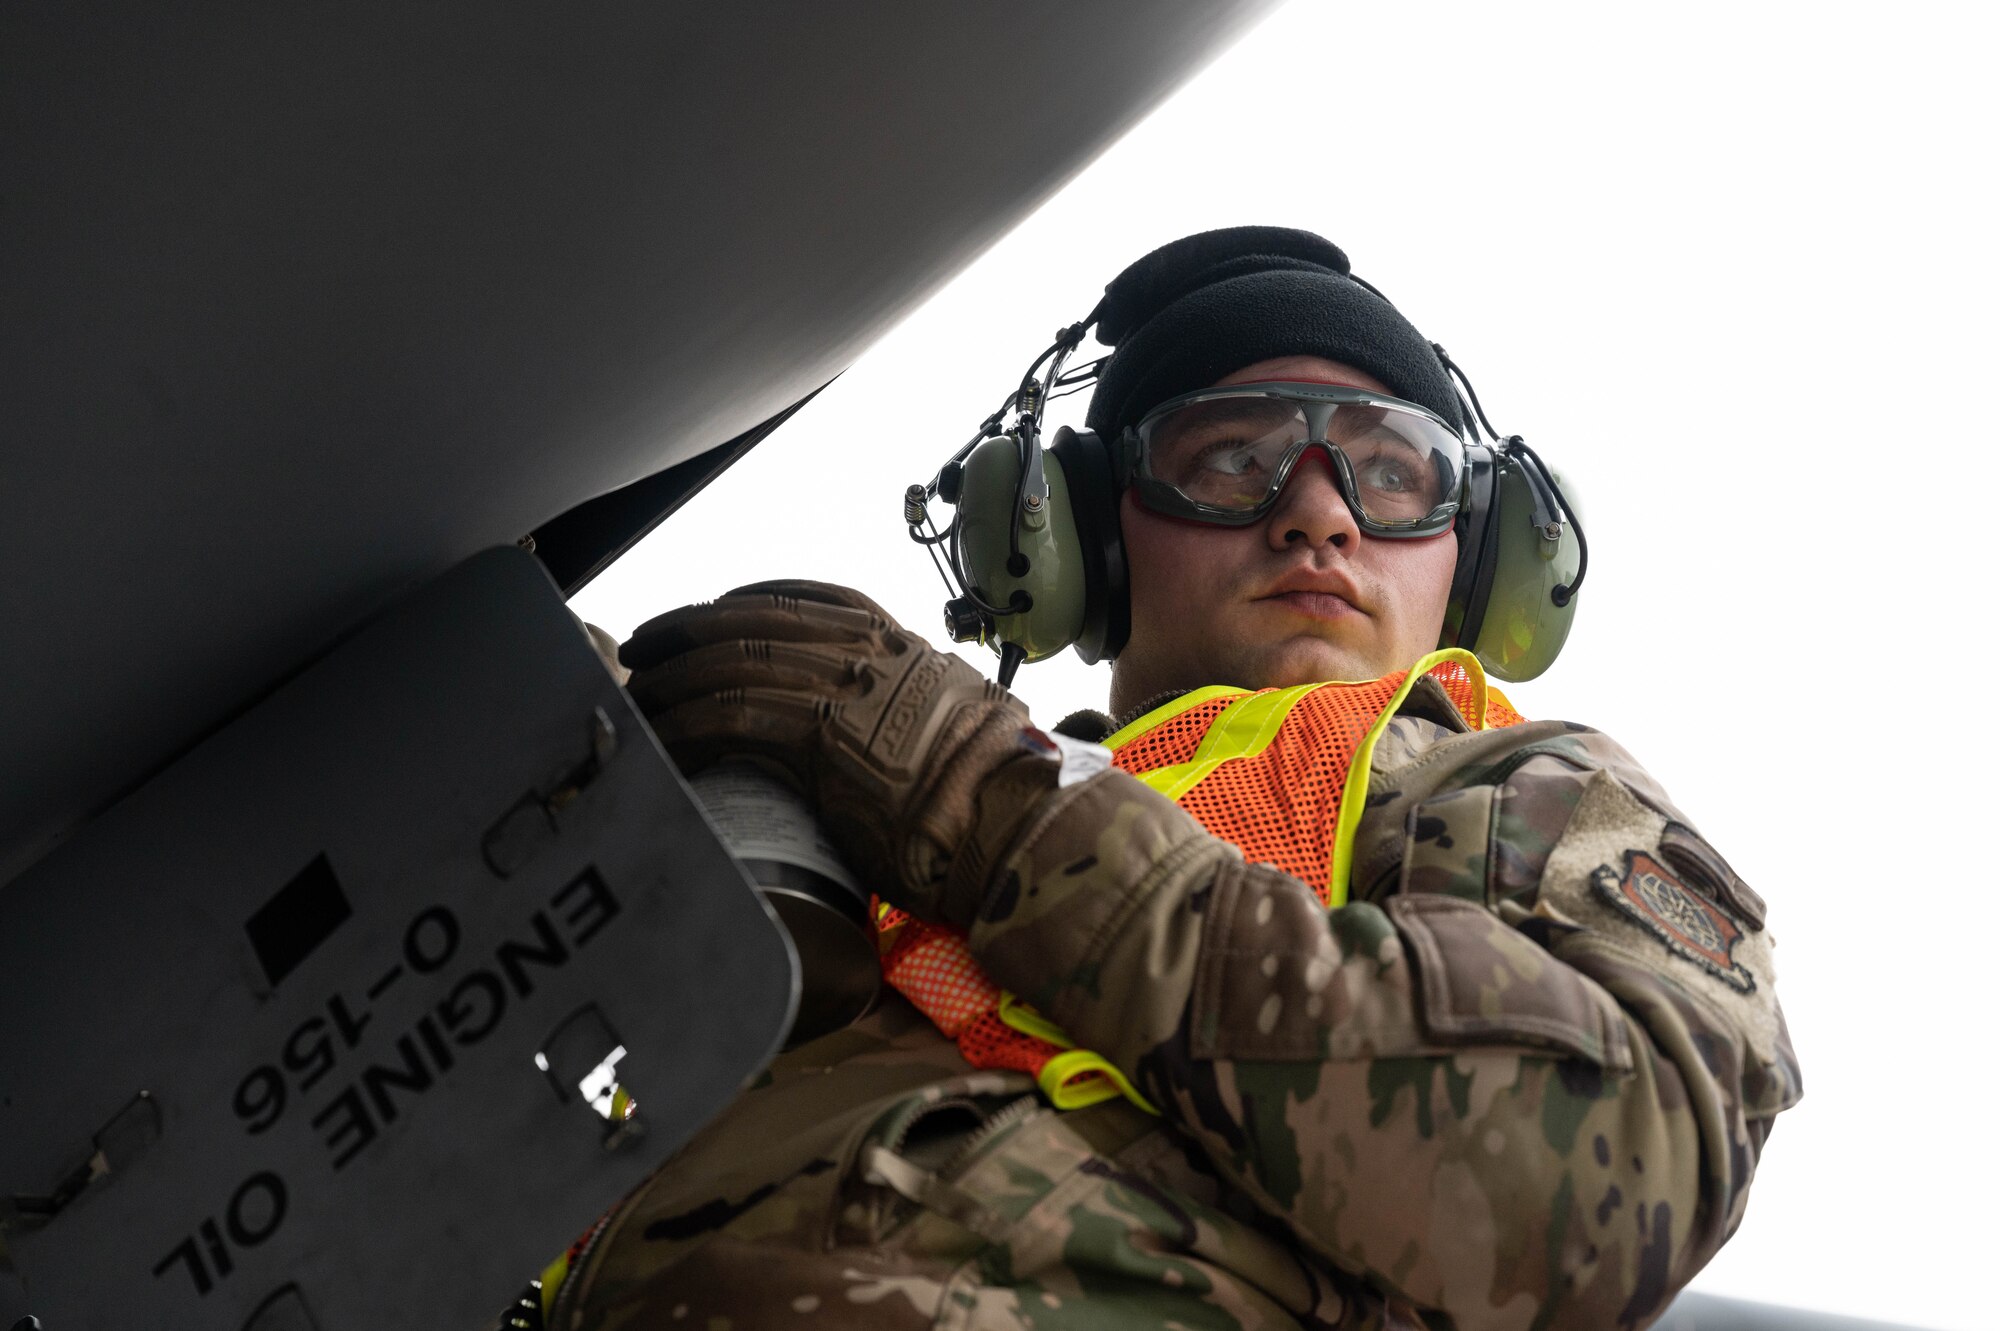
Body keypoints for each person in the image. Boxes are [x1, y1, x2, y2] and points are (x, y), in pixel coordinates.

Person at [544, 228, 1801, 1330]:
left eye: (1391, 470)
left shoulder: (1507, 783)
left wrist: (979, 795)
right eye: (1228, 456)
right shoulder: (856, 807)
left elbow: (1591, 1177)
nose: (1319, 515)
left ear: (1473, 564)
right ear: (1087, 534)